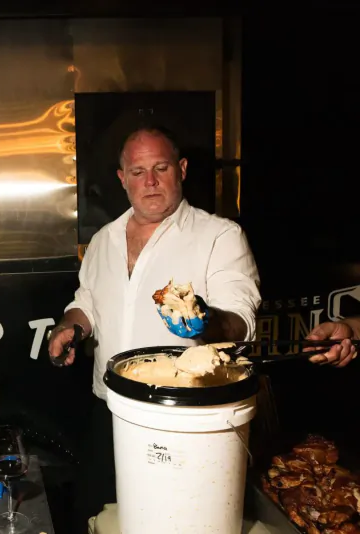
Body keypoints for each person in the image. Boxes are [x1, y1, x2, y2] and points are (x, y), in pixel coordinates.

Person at [48, 125, 261, 533]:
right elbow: (86, 302)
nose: (149, 181)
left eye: (160, 168)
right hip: (108, 411)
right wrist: (69, 326)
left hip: (187, 423)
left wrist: (205, 322)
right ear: (121, 178)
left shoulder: (220, 236)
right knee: (98, 520)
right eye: (137, 171)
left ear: (180, 169)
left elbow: (241, 319)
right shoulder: (103, 241)